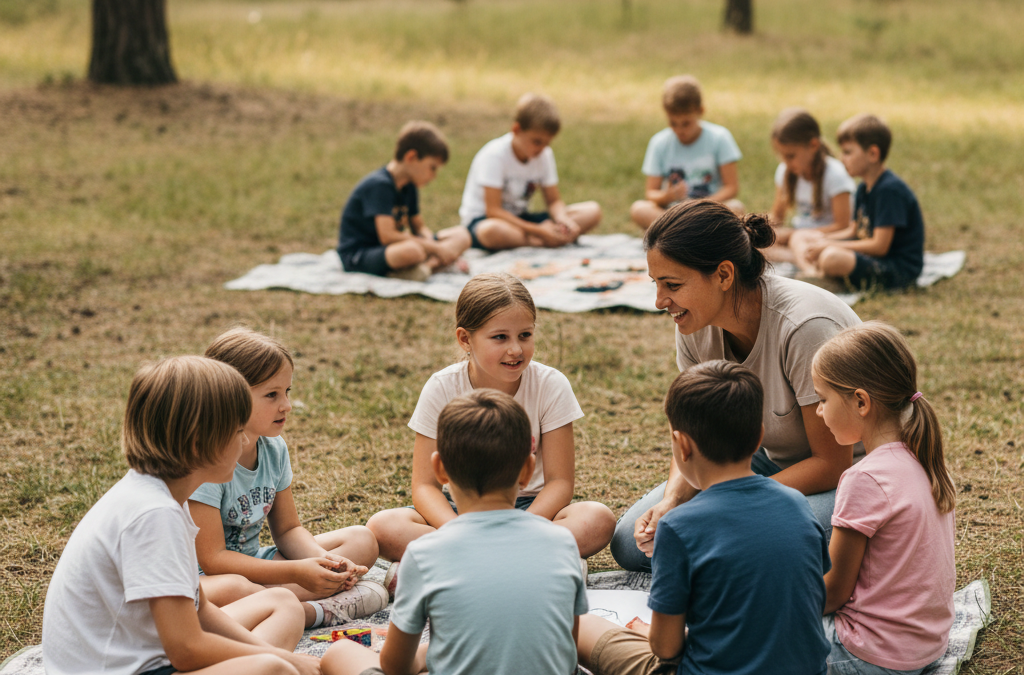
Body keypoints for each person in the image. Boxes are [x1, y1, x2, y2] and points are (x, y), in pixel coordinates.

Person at [610, 199, 862, 573]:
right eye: (656, 284)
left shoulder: (805, 326)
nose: (660, 301)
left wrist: (726, 504)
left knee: (743, 544)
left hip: (853, 475)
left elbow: (831, 463)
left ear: (724, 275)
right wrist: (673, 501)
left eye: (673, 285)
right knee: (633, 542)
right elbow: (695, 436)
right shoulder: (695, 322)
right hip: (765, 461)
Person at [42, 356, 320, 675]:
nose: (246, 441)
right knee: (271, 669)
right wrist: (282, 660)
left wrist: (272, 654)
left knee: (283, 606)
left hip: (148, 652)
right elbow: (186, 649)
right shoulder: (154, 516)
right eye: (239, 430)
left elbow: (200, 612)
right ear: (199, 441)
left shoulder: (166, 498)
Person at [576, 361, 831, 675]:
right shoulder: (797, 504)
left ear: (682, 445)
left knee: (579, 624)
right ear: (758, 437)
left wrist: (649, 634)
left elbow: (665, 649)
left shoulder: (678, 527)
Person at [366, 272, 616, 589]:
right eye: (500, 337)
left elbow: (560, 482)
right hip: (461, 508)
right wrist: (460, 531)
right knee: (384, 526)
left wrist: (521, 527)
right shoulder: (441, 387)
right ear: (465, 339)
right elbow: (425, 486)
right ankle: (537, 563)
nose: (516, 349)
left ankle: (446, 564)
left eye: (525, 335)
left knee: (597, 519)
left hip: (530, 509)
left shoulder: (551, 385)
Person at [321, 389, 589, 675]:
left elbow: (394, 666)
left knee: (340, 653)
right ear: (528, 469)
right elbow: (566, 655)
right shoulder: (563, 543)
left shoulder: (424, 555)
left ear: (439, 468)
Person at [191, 328, 386, 628]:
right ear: (229, 396)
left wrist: (325, 564)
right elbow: (213, 560)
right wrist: (296, 573)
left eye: (287, 392)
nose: (287, 405)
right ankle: (312, 611)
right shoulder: (206, 461)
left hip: (259, 565)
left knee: (361, 540)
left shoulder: (273, 448)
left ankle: (288, 602)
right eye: (272, 394)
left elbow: (288, 529)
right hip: (209, 581)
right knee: (239, 589)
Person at [813, 322, 955, 673]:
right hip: (925, 648)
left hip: (868, 657)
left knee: (755, 631)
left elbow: (833, 595)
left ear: (860, 401)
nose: (818, 411)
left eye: (822, 399)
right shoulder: (924, 458)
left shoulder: (864, 478)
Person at [455, 92, 602, 251]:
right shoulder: (494, 156)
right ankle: (540, 240)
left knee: (592, 211)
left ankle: (543, 238)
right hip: (486, 221)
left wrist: (563, 219)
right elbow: (493, 211)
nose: (542, 149)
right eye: (537, 142)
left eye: (547, 143)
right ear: (517, 129)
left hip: (521, 219)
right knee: (491, 232)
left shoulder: (544, 154)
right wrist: (539, 231)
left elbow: (553, 201)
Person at [797, 114, 926, 289]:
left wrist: (829, 244)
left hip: (895, 268)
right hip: (870, 258)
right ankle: (815, 275)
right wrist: (822, 239)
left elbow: (880, 246)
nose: (842, 159)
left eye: (848, 152)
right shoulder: (862, 188)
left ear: (873, 154)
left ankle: (823, 278)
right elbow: (854, 230)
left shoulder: (889, 191)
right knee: (802, 236)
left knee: (831, 257)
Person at [337, 121, 470, 282]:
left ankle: (424, 268)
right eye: (432, 168)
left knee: (462, 235)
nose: (434, 176)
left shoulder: (409, 186)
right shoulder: (380, 185)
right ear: (411, 157)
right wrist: (435, 248)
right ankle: (429, 266)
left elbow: (419, 226)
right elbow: (388, 236)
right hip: (362, 254)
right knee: (414, 251)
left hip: (393, 248)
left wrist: (432, 243)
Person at [630, 75, 743, 230]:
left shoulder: (720, 138)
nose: (679, 130)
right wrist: (667, 196)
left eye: (686, 124)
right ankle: (690, 236)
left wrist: (704, 204)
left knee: (736, 208)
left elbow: (731, 187)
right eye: (673, 123)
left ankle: (677, 238)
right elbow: (651, 193)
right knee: (639, 208)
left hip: (708, 211)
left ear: (700, 111)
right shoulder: (659, 142)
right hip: (673, 214)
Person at [766, 108, 855, 265]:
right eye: (782, 156)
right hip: (798, 238)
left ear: (813, 145)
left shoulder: (835, 175)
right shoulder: (784, 172)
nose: (786, 162)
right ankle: (802, 261)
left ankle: (805, 264)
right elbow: (777, 217)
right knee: (755, 248)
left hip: (827, 240)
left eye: (791, 156)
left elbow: (843, 226)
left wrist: (797, 234)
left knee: (808, 247)